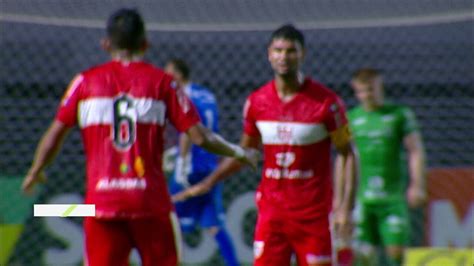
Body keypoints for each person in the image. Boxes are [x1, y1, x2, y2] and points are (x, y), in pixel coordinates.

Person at [21, 8, 257, 266]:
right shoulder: (163, 83)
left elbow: (56, 133)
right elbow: (200, 137)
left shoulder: (85, 83)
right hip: (149, 202)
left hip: (102, 204)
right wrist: (239, 152)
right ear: (146, 44)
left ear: (105, 44)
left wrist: (36, 169)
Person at [173, 24, 357, 266]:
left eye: (291, 51)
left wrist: (345, 207)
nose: (284, 57)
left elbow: (347, 153)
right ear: (269, 54)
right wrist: (209, 182)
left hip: (313, 216)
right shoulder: (257, 102)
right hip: (272, 215)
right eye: (278, 50)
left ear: (303, 54)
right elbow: (246, 153)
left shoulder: (327, 103)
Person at [164, 58, 239, 266]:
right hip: (209, 166)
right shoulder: (207, 95)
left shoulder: (182, 96)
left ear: (178, 75)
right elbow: (210, 128)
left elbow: (188, 131)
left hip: (191, 166)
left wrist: (182, 161)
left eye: (168, 73)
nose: (165, 78)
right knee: (214, 224)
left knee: (166, 217)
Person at [348, 68, 427, 266]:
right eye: (362, 91)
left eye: (371, 89)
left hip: (392, 198)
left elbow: (415, 150)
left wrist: (417, 185)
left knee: (396, 256)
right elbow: (345, 159)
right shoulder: (351, 119)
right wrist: (342, 199)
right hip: (362, 200)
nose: (367, 95)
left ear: (380, 87)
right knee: (363, 258)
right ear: (356, 91)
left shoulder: (399, 115)